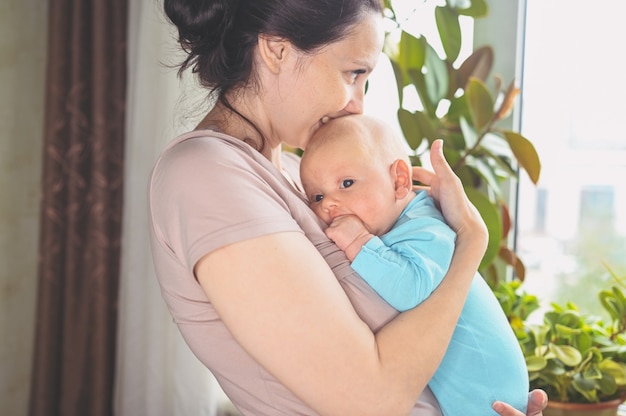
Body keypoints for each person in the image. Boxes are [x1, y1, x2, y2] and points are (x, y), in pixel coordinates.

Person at [150, 0, 547, 414]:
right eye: (352, 74)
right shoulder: (209, 177)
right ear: (277, 50)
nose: (357, 104)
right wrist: (470, 243)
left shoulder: (297, 175)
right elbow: (372, 400)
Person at [300, 114, 529, 415]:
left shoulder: (426, 228)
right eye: (317, 196)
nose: (328, 204)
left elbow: (410, 290)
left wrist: (359, 244)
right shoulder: (400, 223)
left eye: (346, 183)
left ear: (399, 180)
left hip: (487, 397)